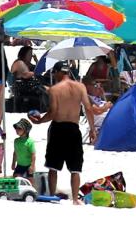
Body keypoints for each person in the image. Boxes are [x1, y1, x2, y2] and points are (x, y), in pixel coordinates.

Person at [29, 66, 96, 204]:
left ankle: (52, 195)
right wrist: (92, 129)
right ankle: (76, 200)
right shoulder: (80, 87)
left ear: (59, 73)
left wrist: (40, 121)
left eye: (55, 72)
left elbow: (53, 112)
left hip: (58, 128)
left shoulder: (55, 89)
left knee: (53, 166)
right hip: (73, 128)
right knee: (75, 168)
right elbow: (88, 109)